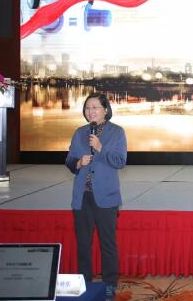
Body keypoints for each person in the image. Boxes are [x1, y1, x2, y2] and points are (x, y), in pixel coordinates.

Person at [65, 93, 127, 298]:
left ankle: (110, 284)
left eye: (95, 107)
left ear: (105, 110)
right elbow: (69, 160)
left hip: (106, 197)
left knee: (108, 244)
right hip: (82, 196)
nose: (90, 111)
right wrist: (78, 163)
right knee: (83, 244)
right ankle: (84, 282)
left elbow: (120, 161)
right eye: (87, 108)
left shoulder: (116, 132)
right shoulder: (79, 132)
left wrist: (100, 148)